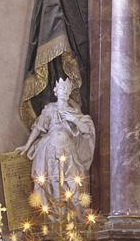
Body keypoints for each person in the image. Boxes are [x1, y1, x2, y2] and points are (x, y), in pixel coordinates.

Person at [17, 76, 96, 206]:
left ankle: (74, 213)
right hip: (48, 148)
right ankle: (53, 215)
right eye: (61, 89)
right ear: (56, 91)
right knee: (50, 179)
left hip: (68, 149)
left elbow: (86, 130)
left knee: (72, 179)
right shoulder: (49, 109)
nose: (64, 91)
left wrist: (73, 119)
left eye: (66, 89)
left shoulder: (74, 111)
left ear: (69, 92)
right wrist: (26, 146)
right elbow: (38, 128)